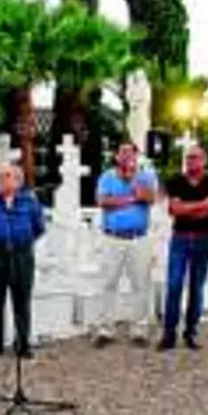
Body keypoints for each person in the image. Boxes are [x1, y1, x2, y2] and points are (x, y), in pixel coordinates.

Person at [93, 141, 158, 348]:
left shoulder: (145, 176)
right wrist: (132, 198)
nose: (127, 156)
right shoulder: (107, 176)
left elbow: (150, 197)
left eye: (130, 153)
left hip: (138, 238)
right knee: (108, 283)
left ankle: (139, 330)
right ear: (117, 156)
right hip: (112, 238)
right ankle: (105, 329)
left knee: (140, 285)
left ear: (136, 156)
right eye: (123, 153)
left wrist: (133, 181)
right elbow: (103, 201)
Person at [158, 145, 208, 351]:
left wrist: (188, 208)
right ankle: (169, 334)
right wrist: (200, 205)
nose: (191, 161)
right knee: (174, 285)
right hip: (180, 238)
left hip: (203, 238)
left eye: (195, 157)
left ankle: (191, 332)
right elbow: (176, 210)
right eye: (188, 157)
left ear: (204, 160)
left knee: (197, 286)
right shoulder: (176, 181)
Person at [0, 163, 45, 359]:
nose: (2, 180)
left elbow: (38, 227)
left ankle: (22, 344)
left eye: (7, 176)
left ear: (18, 181)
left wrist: (21, 241)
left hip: (21, 255)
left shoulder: (29, 202)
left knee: (22, 301)